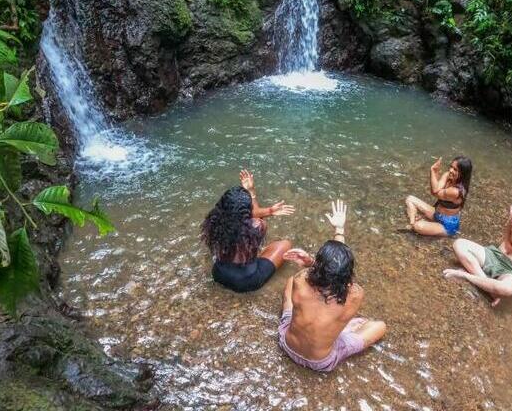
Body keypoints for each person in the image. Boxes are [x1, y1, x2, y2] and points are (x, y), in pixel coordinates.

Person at [277, 200, 386, 372]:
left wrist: (310, 262)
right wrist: (340, 229)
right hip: (320, 362)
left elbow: (319, 273)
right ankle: (347, 330)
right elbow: (337, 278)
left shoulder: (301, 280)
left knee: (290, 282)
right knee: (379, 326)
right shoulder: (355, 294)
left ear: (319, 265)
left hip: (287, 345)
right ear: (347, 272)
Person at [443, 180, 512, 306]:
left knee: (507, 289)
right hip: (496, 254)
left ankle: (466, 275)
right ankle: (489, 288)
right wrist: (511, 222)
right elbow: (506, 240)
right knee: (459, 244)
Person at [201, 169, 294, 293]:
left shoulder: (213, 222)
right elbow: (256, 215)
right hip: (246, 282)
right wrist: (252, 192)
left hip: (218, 274)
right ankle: (258, 258)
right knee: (286, 244)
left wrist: (269, 211)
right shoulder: (257, 226)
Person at [404, 155, 473, 237]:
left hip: (447, 225)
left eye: (455, 169)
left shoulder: (455, 191)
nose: (450, 170)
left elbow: (434, 192)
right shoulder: (448, 176)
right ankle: (412, 223)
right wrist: (436, 173)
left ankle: (416, 225)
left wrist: (433, 171)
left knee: (418, 226)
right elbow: (436, 188)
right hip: (436, 214)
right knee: (410, 199)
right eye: (451, 167)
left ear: (463, 174)